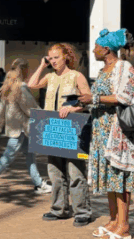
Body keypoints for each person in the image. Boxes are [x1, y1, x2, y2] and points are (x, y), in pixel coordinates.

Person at [78, 29, 134, 239]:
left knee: (120, 177)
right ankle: (113, 220)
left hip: (119, 131)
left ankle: (124, 227)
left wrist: (95, 98)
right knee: (110, 176)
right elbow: (97, 98)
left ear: (106, 49)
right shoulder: (104, 70)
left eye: (96, 47)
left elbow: (127, 96)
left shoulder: (123, 67)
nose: (93, 50)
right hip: (102, 129)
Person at [27, 43, 92, 226]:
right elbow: (31, 84)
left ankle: (82, 212)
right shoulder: (49, 76)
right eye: (51, 58)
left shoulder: (76, 76)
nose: (53, 61)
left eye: (56, 57)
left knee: (75, 172)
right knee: (55, 172)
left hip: (72, 129)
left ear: (66, 57)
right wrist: (42, 65)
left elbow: (88, 99)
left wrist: (72, 107)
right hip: (51, 128)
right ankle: (59, 209)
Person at [0, 58, 52, 199]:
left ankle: (39, 184)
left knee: (30, 155)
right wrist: (47, 117)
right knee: (7, 158)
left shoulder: (9, 85)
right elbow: (31, 108)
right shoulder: (21, 87)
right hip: (21, 129)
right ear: (24, 70)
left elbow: (2, 106)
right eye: (27, 69)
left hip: (17, 128)